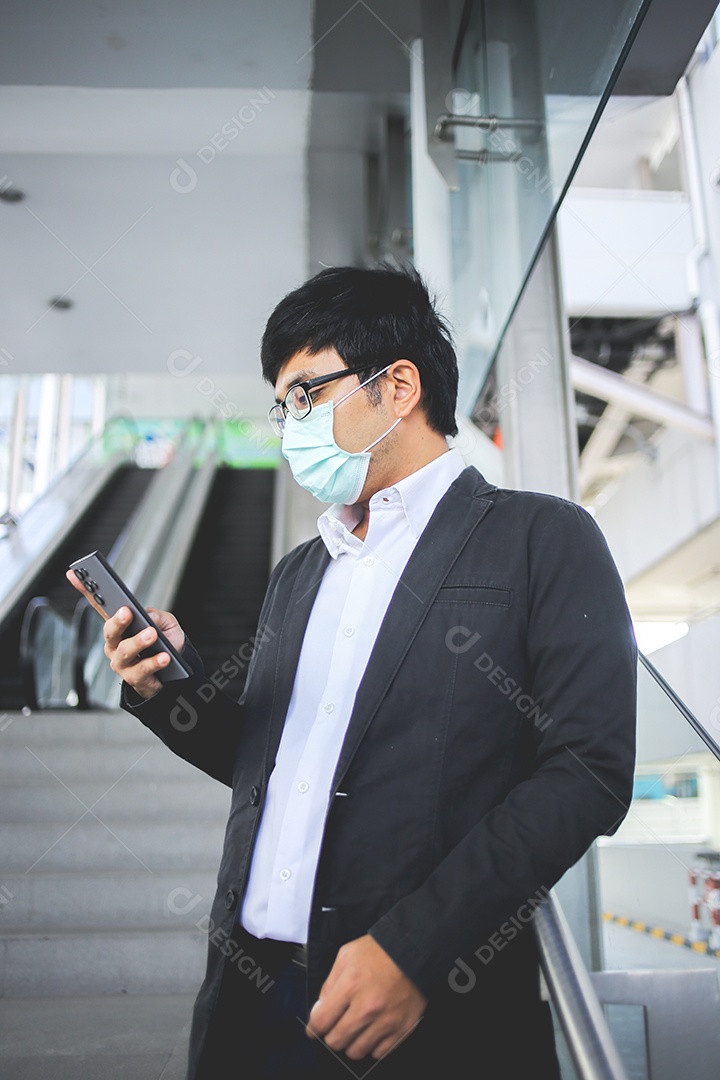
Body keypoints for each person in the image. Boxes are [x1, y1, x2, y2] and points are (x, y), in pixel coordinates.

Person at [68, 264, 637, 1079]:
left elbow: (587, 769)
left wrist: (418, 950)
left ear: (397, 386)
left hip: (422, 1009)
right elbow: (265, 759)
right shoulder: (300, 571)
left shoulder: (543, 539)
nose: (288, 422)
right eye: (281, 404)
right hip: (250, 994)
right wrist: (166, 688)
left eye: (306, 394)